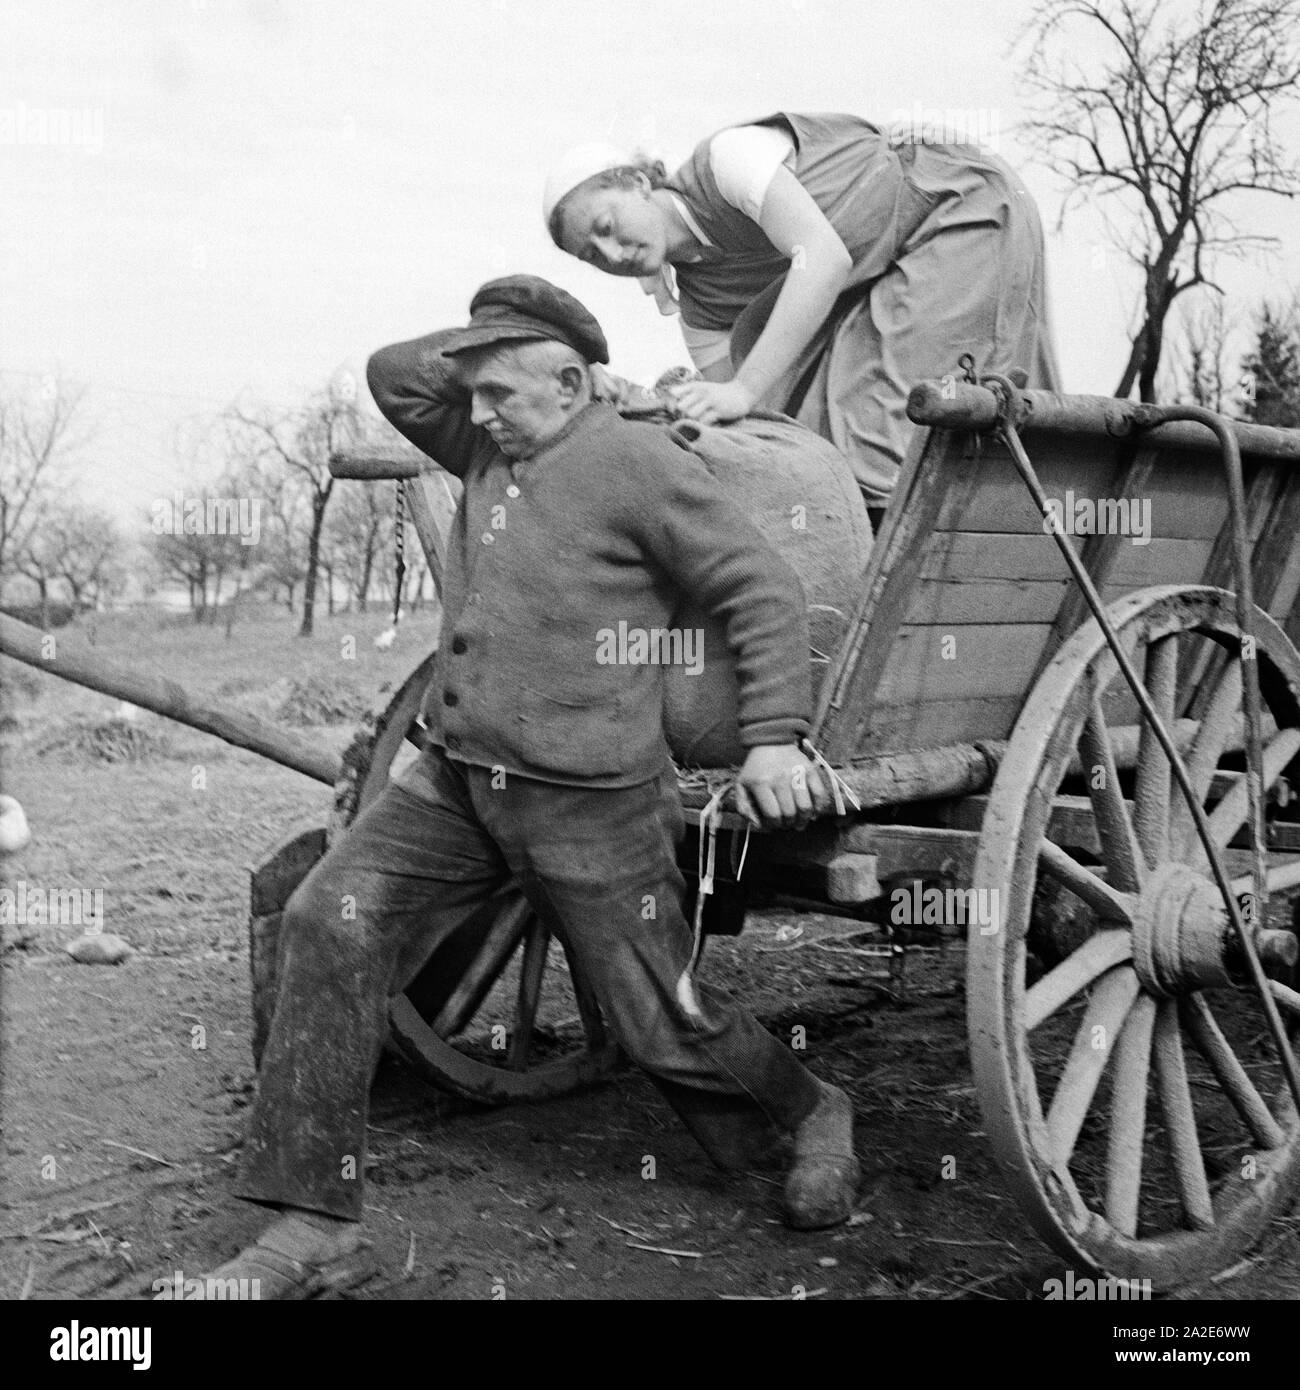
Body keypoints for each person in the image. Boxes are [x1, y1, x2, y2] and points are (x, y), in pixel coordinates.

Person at [203, 275, 859, 1297]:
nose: (473, 412)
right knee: (324, 916)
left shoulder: (635, 460)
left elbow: (759, 587)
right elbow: (394, 374)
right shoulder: (481, 444)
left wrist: (774, 741)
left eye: (500, 391)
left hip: (589, 803)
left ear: (567, 382)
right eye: (470, 394)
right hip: (459, 783)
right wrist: (493, 336)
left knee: (660, 1024)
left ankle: (811, 1105)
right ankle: (310, 1224)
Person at [545, 112, 1062, 517]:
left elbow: (823, 257)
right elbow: (752, 425)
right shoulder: (700, 312)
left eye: (607, 225)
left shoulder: (727, 161)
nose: (611, 255)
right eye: (592, 255)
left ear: (637, 183)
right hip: (887, 276)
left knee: (873, 443)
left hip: (954, 205)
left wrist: (741, 390)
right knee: (812, 437)